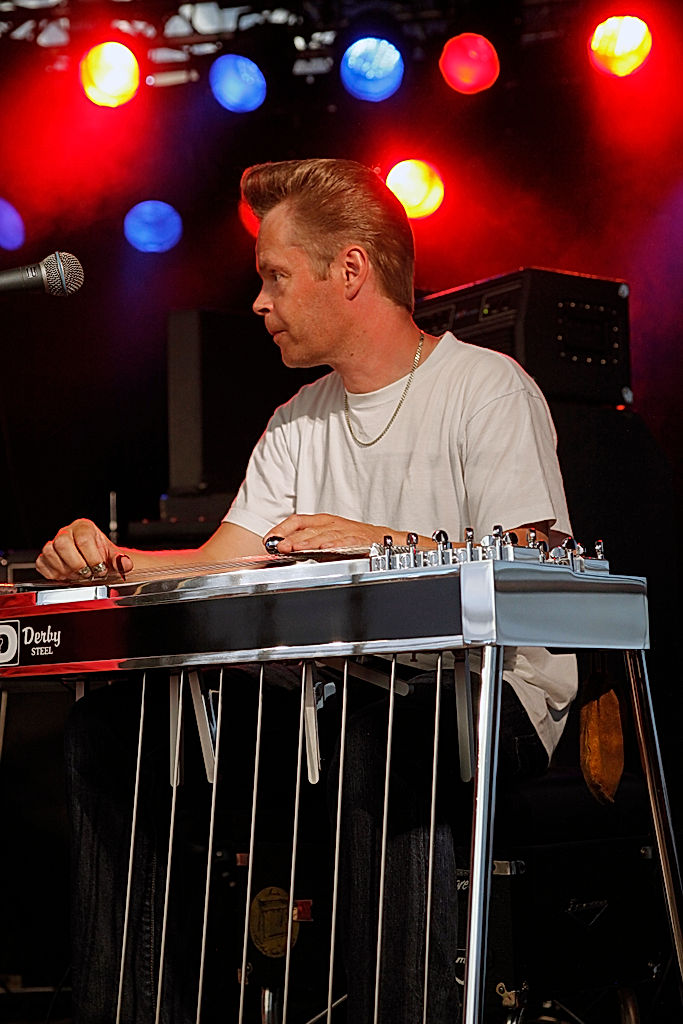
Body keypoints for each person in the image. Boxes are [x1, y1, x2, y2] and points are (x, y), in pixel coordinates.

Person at [37, 158, 578, 1022]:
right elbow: (223, 563)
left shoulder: (486, 389)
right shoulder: (296, 421)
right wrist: (105, 558)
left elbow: (540, 563)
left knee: (384, 736)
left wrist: (384, 546)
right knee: (113, 729)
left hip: (490, 700)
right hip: (336, 701)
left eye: (275, 277)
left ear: (351, 269)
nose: (259, 302)